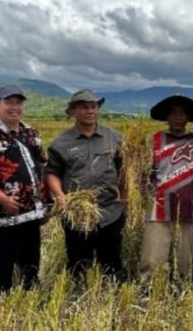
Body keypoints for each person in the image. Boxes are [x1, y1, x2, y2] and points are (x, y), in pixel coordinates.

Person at [0, 85, 48, 308]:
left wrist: (44, 200)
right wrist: (2, 198)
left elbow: (40, 166)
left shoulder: (31, 134)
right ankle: (0, 310)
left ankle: (30, 309)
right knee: (1, 266)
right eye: (8, 102)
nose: (14, 107)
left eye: (18, 102)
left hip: (30, 214)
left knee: (31, 264)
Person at [45, 89, 126, 278]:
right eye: (83, 107)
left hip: (110, 211)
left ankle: (112, 298)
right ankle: (79, 296)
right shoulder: (61, 143)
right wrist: (61, 198)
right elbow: (51, 174)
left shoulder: (114, 138)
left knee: (112, 261)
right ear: (72, 112)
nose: (90, 111)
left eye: (93, 106)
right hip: (77, 213)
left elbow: (123, 172)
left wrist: (125, 204)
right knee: (79, 262)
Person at [139, 95, 193, 278]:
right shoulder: (153, 141)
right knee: (152, 259)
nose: (178, 117)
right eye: (173, 113)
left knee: (184, 260)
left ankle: (181, 293)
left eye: (182, 113)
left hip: (188, 210)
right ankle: (149, 293)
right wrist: (144, 201)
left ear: (188, 117)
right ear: (166, 117)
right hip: (158, 209)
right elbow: (143, 176)